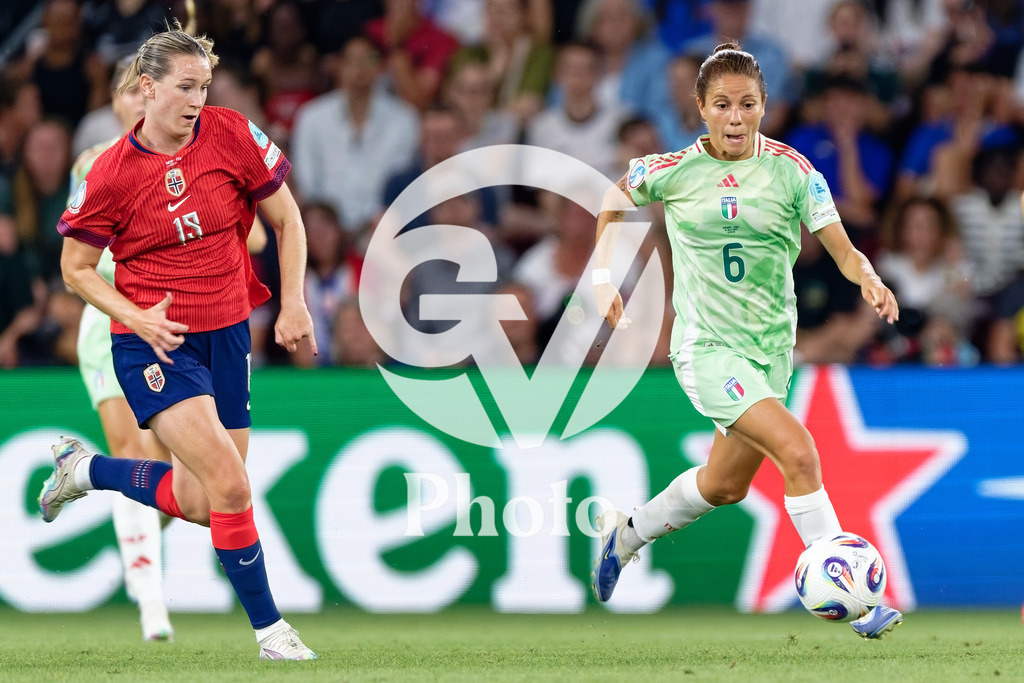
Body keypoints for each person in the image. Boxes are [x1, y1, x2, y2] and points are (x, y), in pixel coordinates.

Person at [590, 43, 904, 639]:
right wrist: (603, 274)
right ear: (701, 108)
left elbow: (841, 247)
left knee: (725, 485)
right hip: (707, 349)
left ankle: (625, 533)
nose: (736, 118)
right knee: (800, 451)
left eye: (748, 105)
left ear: (765, 106)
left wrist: (868, 276)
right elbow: (612, 198)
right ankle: (858, 602)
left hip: (770, 353)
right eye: (722, 105)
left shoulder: (793, 170)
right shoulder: (672, 170)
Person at [38, 21, 318, 660]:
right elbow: (75, 269)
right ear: (147, 90)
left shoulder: (231, 133)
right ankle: (273, 633)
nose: (198, 100)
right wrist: (133, 317)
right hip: (156, 346)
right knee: (233, 486)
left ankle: (85, 470)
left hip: (228, 336)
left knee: (198, 501)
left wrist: (295, 299)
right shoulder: (110, 173)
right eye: (186, 87)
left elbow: (287, 219)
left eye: (205, 87)